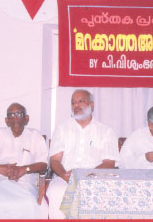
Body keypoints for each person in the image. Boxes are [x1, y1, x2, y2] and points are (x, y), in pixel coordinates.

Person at [47, 89, 120, 219]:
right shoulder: (62, 129)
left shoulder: (106, 131)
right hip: (65, 179)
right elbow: (55, 161)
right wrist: (65, 176)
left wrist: (85, 177)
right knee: (56, 192)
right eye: (73, 102)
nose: (76, 105)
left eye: (81, 101)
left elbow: (109, 163)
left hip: (94, 179)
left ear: (91, 105)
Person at [0, 103, 48, 219]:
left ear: (26, 118)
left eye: (19, 114)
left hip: (25, 184)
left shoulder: (35, 135)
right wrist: (0, 168)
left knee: (28, 204)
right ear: (6, 120)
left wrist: (24, 169)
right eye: (11, 115)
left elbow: (43, 164)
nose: (15, 118)